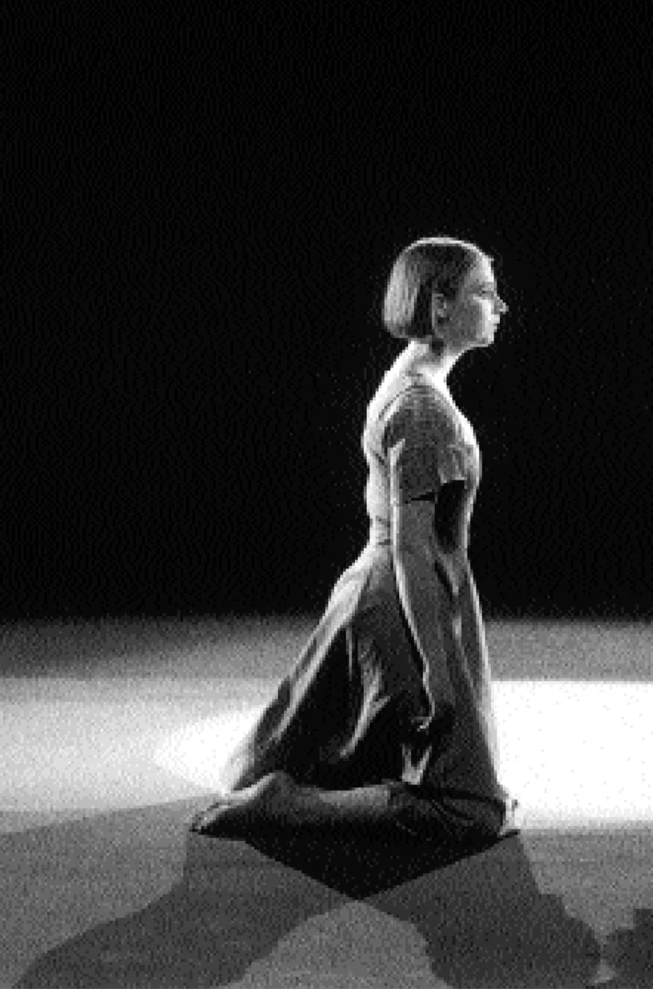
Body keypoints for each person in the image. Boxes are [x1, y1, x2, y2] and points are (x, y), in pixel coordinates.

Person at [192, 238, 517, 840]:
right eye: (485, 292)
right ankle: (292, 805)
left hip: (399, 587)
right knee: (467, 812)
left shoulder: (420, 384)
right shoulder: (422, 406)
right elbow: (412, 549)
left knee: (438, 771)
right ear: (441, 306)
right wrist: (435, 672)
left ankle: (311, 791)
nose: (500, 305)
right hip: (397, 596)